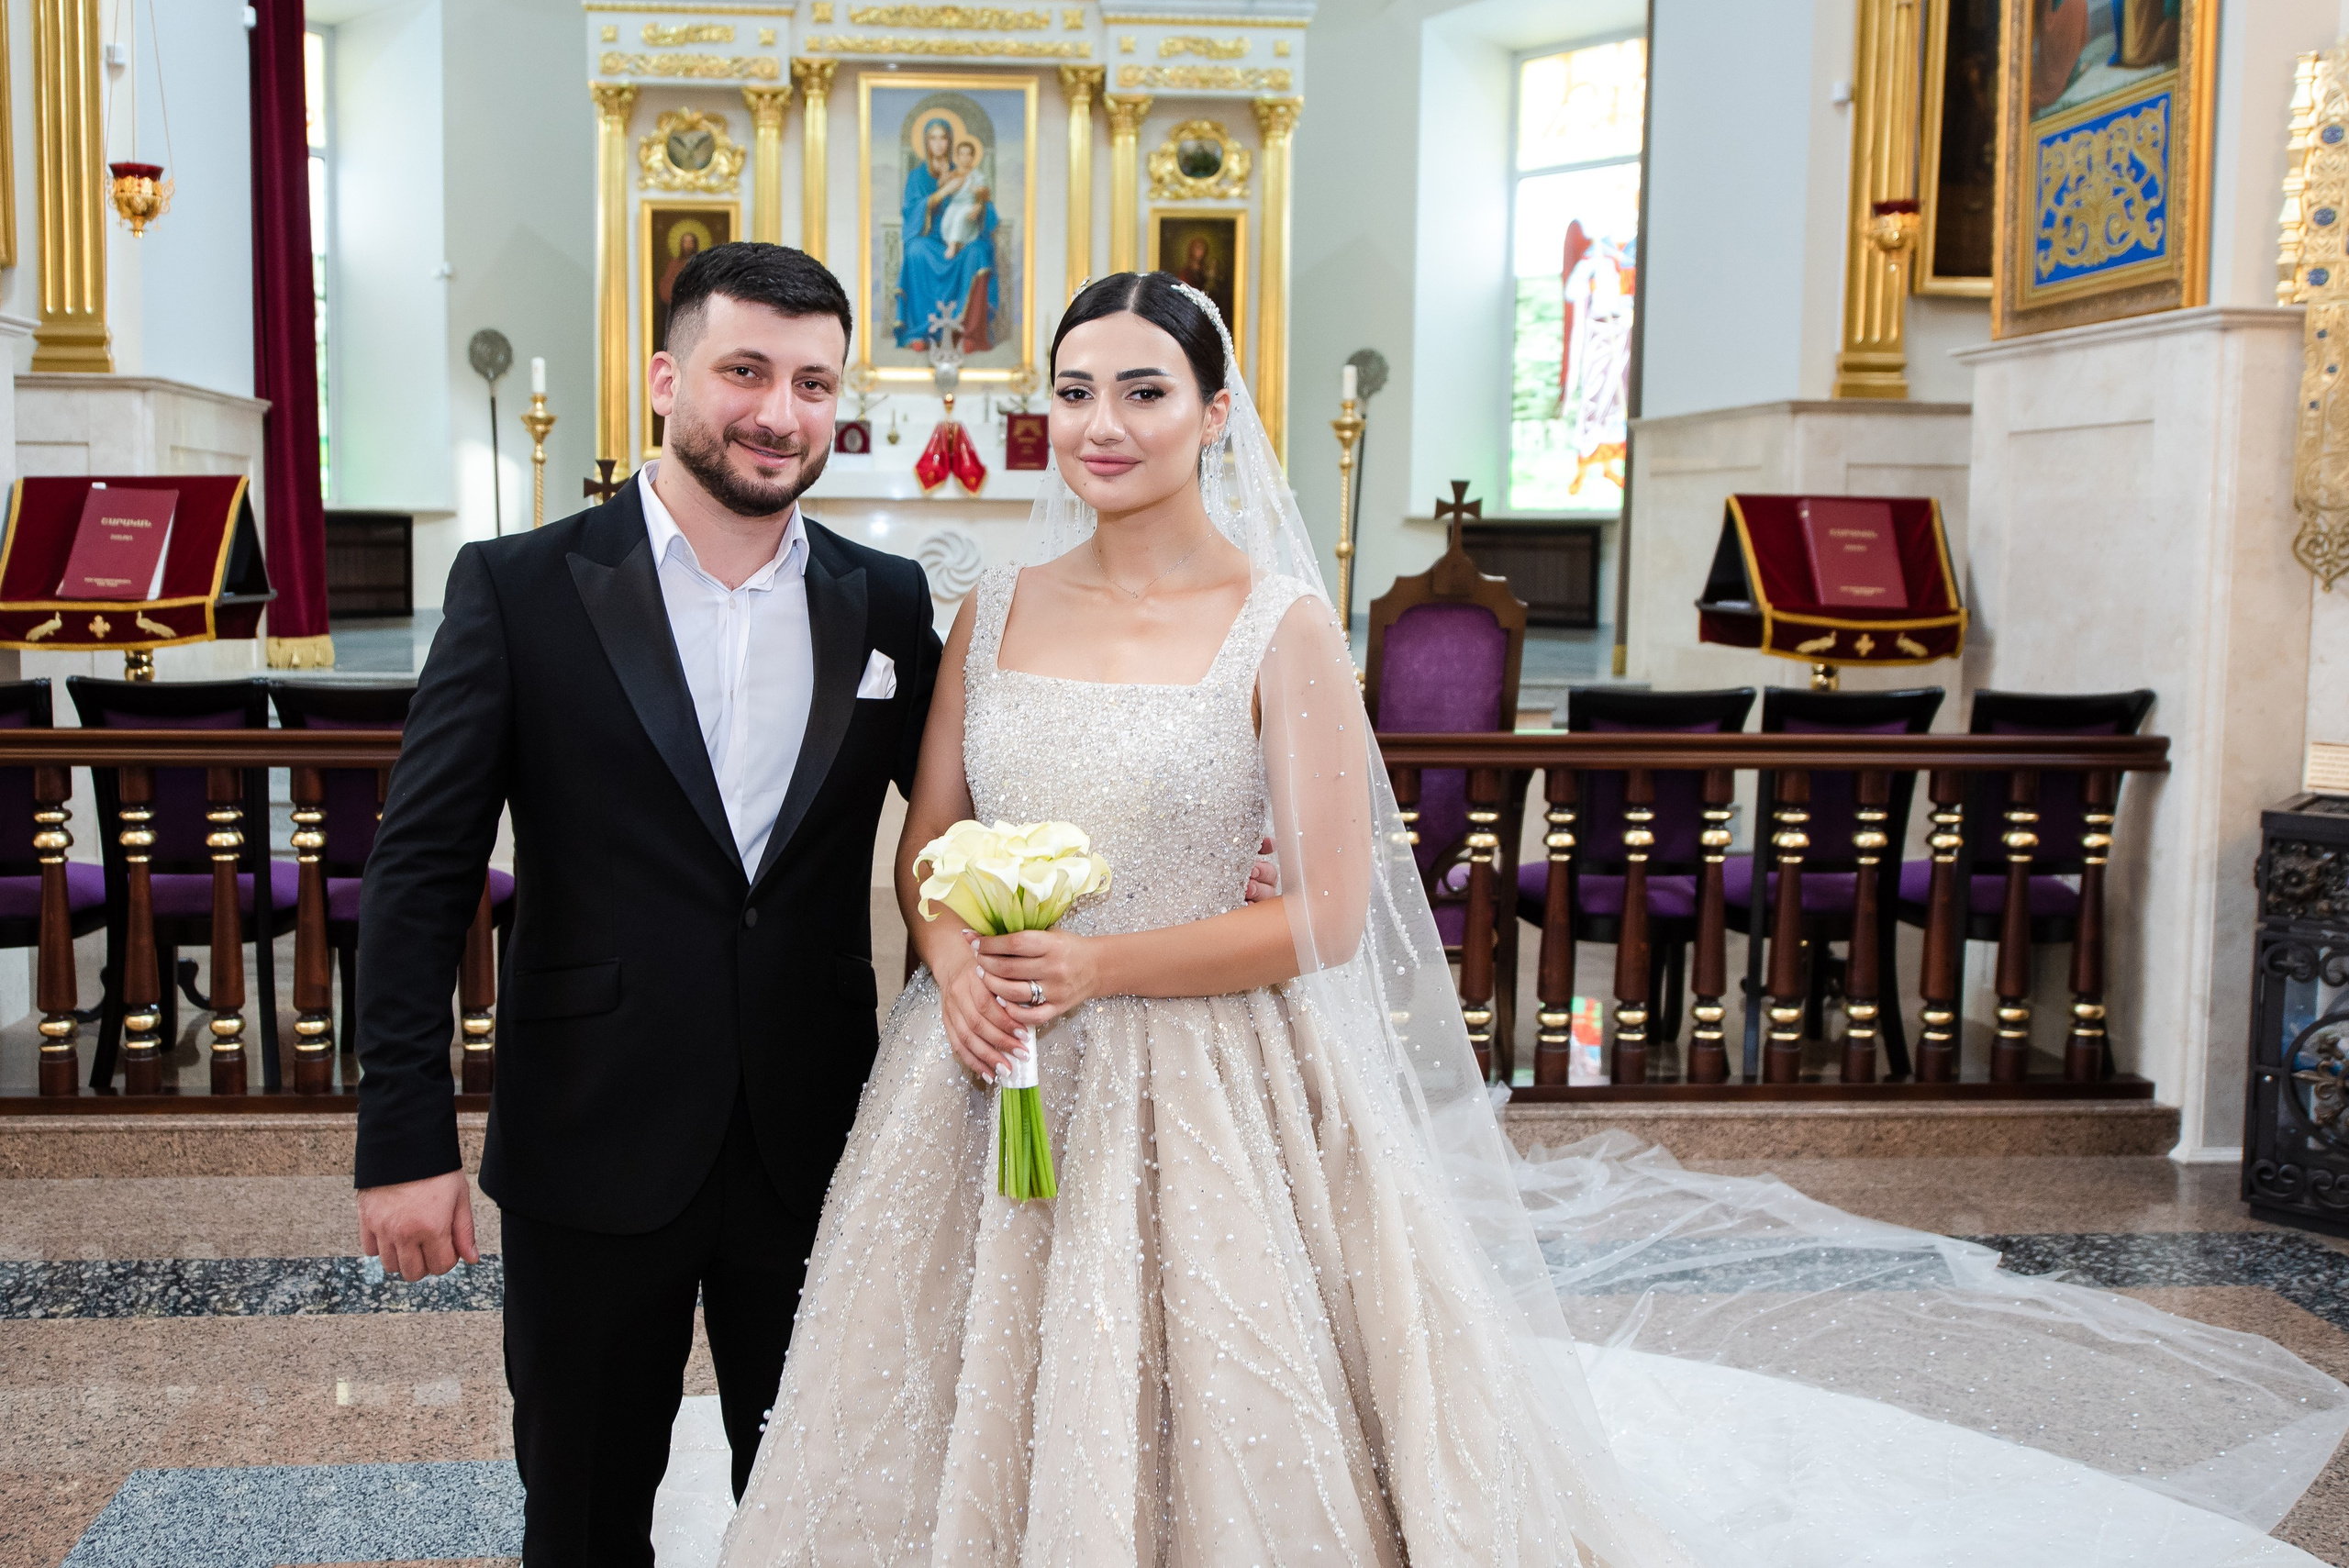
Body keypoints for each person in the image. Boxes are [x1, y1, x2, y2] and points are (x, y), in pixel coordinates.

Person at [711, 271, 2349, 1568]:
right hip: (987, 1061)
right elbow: (932, 839)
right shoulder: (990, 603)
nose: (1102, 423)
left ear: (1217, 410)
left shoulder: (1276, 625)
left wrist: (1099, 963)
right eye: (1074, 391)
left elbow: (1333, 917)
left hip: (1208, 1075)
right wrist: (960, 962)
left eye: (1144, 389)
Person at [352, 240, 942, 1566]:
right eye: (746, 371)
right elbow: (423, 870)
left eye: (812, 382)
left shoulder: (888, 603)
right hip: (590, 1132)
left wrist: (1218, 860)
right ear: (669, 376)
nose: (779, 413)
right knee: (582, 1509)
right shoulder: (519, 588)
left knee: (820, 1506)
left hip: (818, 1137)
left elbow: (988, 811)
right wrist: (403, 1130)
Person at [896, 116, 996, 350]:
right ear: (926, 142)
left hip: (961, 239)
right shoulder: (917, 177)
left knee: (978, 253)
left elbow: (983, 202)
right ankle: (920, 331)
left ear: (950, 142)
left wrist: (978, 209)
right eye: (933, 138)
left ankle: (969, 334)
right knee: (915, 251)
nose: (939, 144)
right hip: (930, 239)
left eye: (943, 138)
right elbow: (910, 212)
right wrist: (940, 195)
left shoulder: (962, 171)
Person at [937, 139, 990, 261]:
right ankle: (952, 242)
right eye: (962, 154)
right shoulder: (953, 173)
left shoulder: (976, 175)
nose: (965, 158)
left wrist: (978, 190)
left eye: (968, 155)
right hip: (955, 205)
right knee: (947, 219)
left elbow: (985, 192)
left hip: (968, 205)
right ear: (957, 157)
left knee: (960, 218)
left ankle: (953, 245)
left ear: (972, 157)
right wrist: (944, 174)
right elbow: (941, 186)